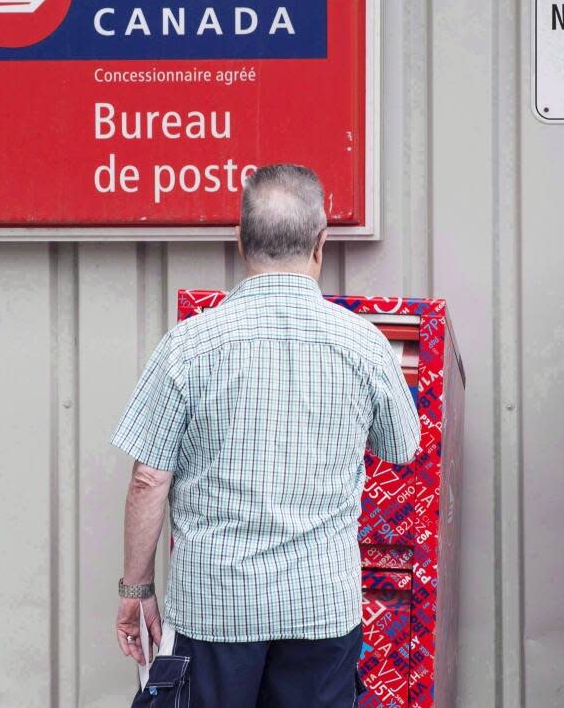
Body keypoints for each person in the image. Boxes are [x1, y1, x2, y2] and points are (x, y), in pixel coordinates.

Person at [110, 164, 421, 707]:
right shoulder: (364, 346)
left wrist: (135, 591)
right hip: (320, 609)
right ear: (320, 243)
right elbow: (402, 446)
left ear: (240, 242)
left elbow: (148, 478)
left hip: (214, 609)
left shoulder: (189, 345)